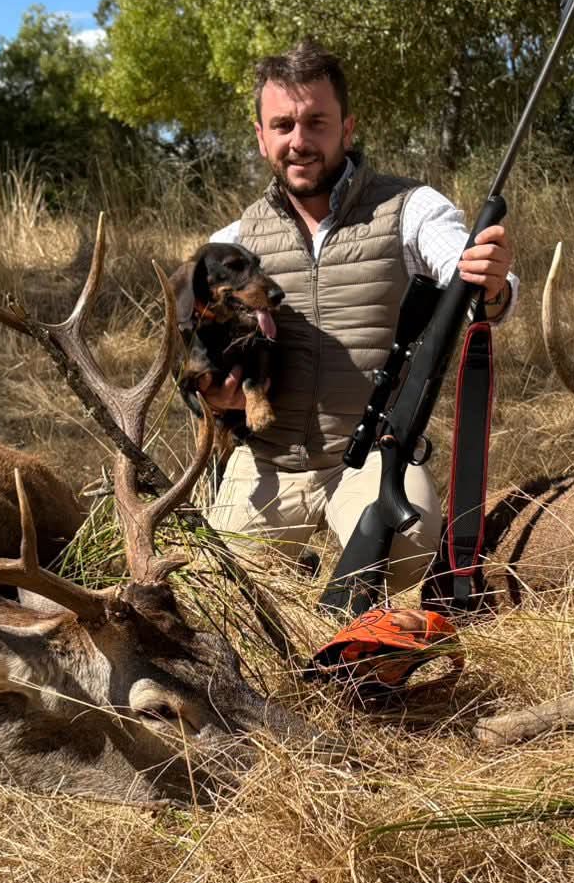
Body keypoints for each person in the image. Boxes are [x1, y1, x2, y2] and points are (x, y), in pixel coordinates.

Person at [197, 42, 517, 595]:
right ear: (261, 137)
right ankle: (296, 576)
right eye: (283, 125)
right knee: (219, 593)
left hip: (372, 458)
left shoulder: (411, 209)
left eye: (317, 122)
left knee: (404, 548)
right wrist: (214, 395)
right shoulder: (231, 242)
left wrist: (490, 282)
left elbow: (472, 279)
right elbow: (197, 354)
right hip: (268, 464)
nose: (299, 140)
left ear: (347, 128)